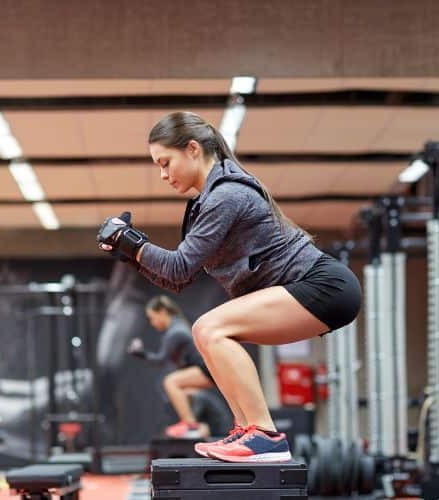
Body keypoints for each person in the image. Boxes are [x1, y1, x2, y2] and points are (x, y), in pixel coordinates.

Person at [97, 111, 361, 463]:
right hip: (315, 288)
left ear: (192, 149)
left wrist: (133, 245)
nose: (162, 175)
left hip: (325, 285)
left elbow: (177, 265)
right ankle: (248, 428)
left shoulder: (226, 195)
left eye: (165, 163)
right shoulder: (205, 201)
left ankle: (264, 436)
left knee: (209, 328)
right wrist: (129, 252)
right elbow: (178, 278)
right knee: (211, 335)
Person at [127, 295, 214, 439]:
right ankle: (195, 426)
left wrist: (140, 353)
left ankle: (191, 426)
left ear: (162, 312)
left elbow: (160, 360)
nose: (152, 323)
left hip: (207, 369)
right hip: (206, 369)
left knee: (171, 382)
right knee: (182, 390)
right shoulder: (177, 326)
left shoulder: (175, 332)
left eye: (152, 318)